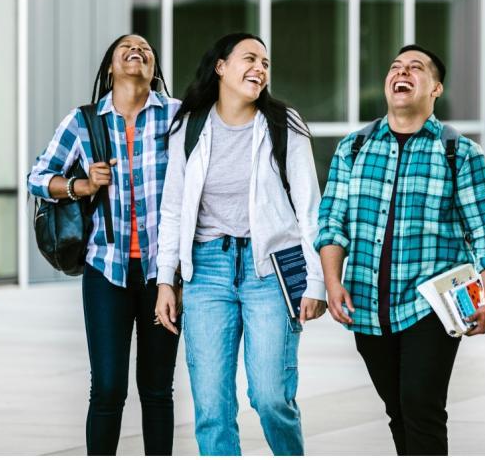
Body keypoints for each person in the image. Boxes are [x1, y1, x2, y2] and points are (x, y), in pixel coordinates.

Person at [315, 45, 485, 456]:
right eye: (395, 67)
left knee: (422, 404)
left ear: (435, 88)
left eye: (415, 68)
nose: (402, 73)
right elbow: (332, 222)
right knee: (398, 409)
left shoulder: (460, 153)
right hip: (368, 304)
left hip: (433, 305)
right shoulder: (354, 148)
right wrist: (332, 282)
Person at [154, 32, 327, 456]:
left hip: (270, 270)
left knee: (271, 398)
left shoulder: (284, 124)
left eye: (266, 63)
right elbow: (173, 208)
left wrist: (316, 281)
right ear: (221, 67)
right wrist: (164, 279)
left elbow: (310, 209)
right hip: (207, 271)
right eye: (250, 59)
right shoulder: (190, 126)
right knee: (212, 407)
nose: (260, 69)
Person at [28, 34, 181, 455]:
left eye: (146, 49)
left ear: (153, 68)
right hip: (105, 270)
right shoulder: (84, 121)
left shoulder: (176, 116)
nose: (138, 50)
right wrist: (81, 184)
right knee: (108, 388)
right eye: (126, 48)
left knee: (156, 389)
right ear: (110, 68)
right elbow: (38, 177)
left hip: (162, 275)